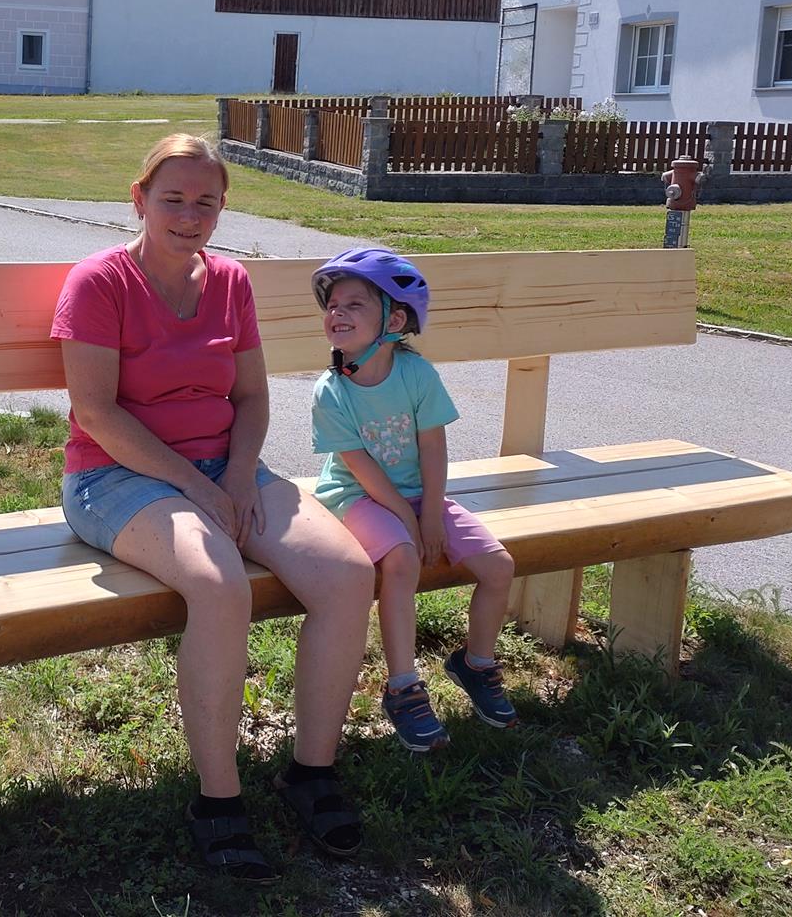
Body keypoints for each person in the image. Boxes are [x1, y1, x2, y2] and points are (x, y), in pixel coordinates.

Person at [52, 134, 375, 882]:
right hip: (114, 477)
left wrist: (235, 475)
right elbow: (96, 413)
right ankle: (218, 800)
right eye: (172, 199)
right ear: (139, 199)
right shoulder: (99, 282)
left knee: (348, 575)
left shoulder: (230, 281)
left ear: (223, 207)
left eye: (206, 201)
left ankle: (312, 771)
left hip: (224, 470)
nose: (189, 215)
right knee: (221, 583)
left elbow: (252, 396)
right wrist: (199, 489)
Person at [309, 248, 519, 753]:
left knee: (499, 566)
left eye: (354, 304)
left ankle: (476, 664)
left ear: (395, 320)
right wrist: (411, 519)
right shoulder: (329, 392)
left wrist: (432, 513)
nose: (337, 312)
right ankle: (403, 687)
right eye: (332, 305)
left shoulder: (417, 374)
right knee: (402, 558)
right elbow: (361, 470)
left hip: (421, 495)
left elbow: (433, 448)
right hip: (355, 496)